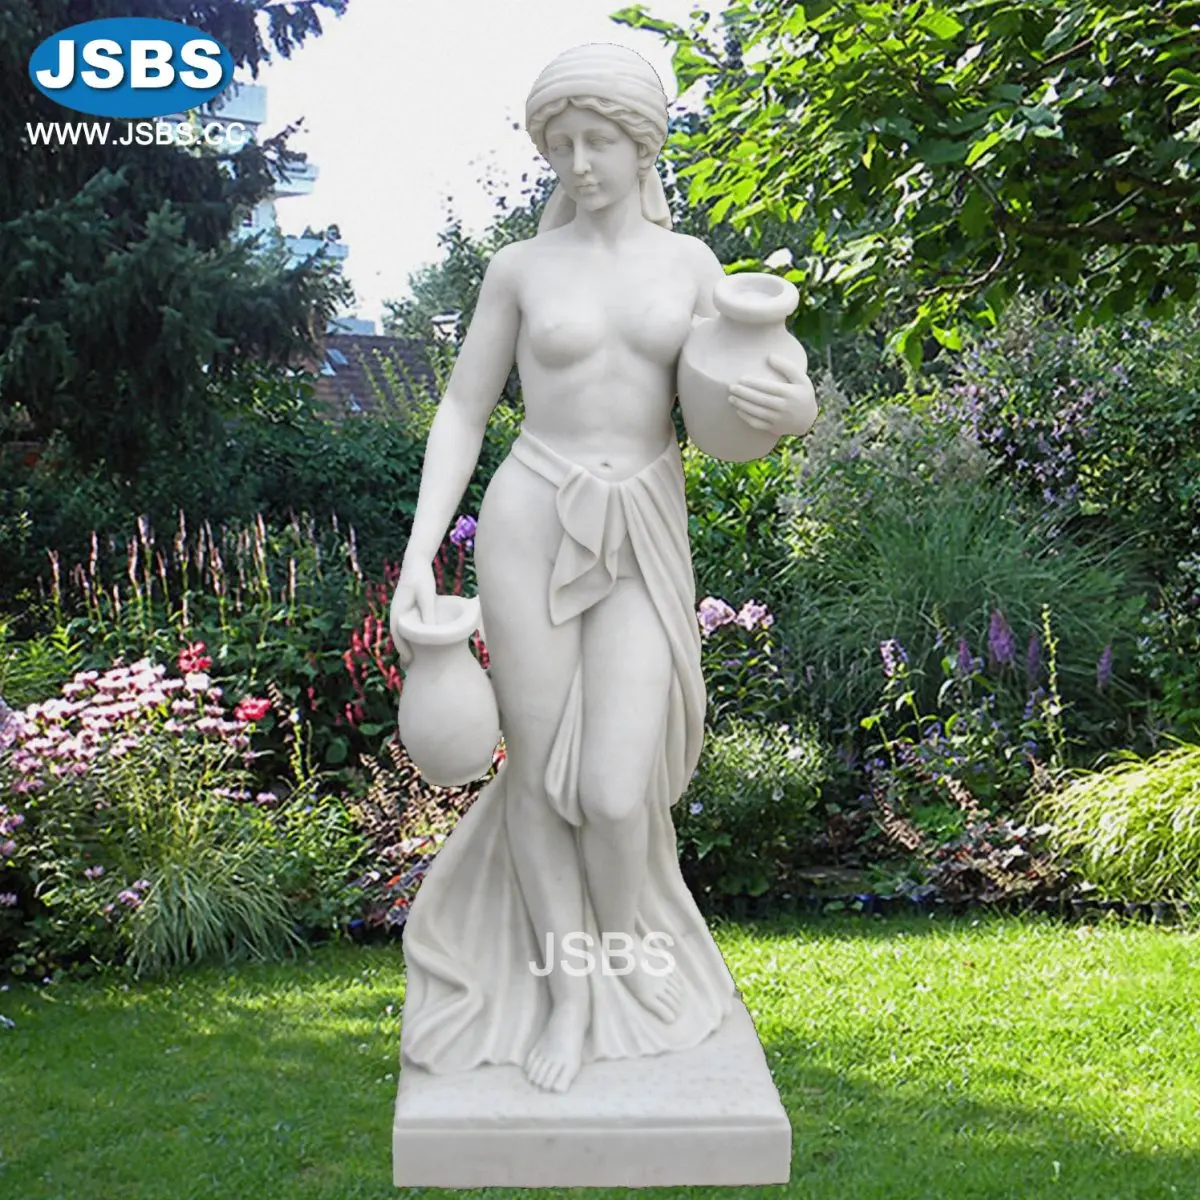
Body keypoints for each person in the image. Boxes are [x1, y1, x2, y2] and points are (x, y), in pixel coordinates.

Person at [390, 42, 817, 1095]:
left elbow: (736, 402)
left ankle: (621, 954)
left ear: (642, 146)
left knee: (620, 791)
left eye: (598, 142)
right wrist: (419, 551)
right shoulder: (521, 270)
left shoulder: (693, 265)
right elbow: (462, 409)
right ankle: (571, 992)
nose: (579, 164)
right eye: (561, 145)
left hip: (644, 523)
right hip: (533, 516)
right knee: (541, 773)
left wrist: (795, 407)